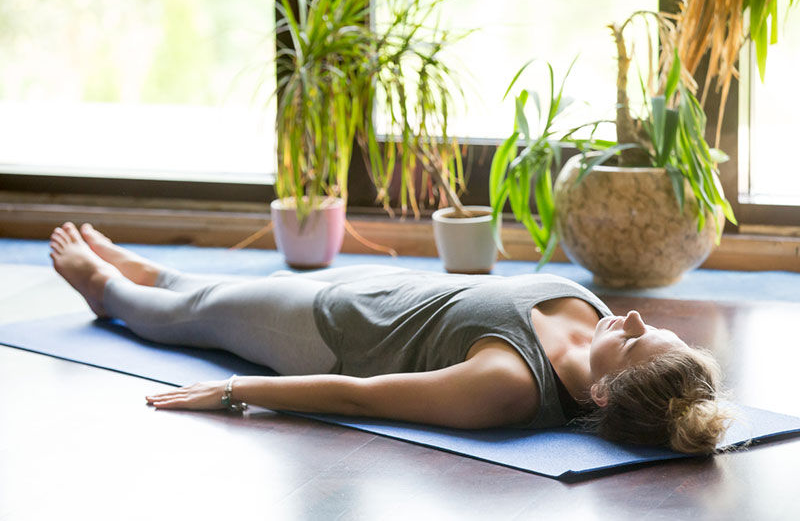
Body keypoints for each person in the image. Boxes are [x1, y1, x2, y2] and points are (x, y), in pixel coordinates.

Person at [49, 222, 729, 454]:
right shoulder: (600, 320)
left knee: (187, 313)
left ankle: (104, 287)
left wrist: (234, 389)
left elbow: (366, 396)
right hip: (379, 286)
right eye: (650, 324)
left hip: (325, 331)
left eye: (637, 340)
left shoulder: (509, 384)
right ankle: (144, 266)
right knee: (211, 285)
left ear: (605, 394)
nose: (634, 319)